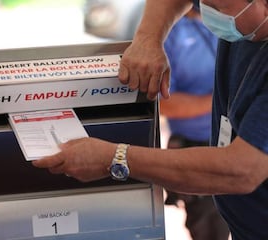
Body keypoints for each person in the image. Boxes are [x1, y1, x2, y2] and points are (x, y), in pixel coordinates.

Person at [32, 0, 268, 239]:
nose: (206, 11)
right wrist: (148, 39)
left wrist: (114, 158)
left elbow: (241, 170)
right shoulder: (243, 12)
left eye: (218, 7)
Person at [160, 6, 229, 240]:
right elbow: (162, 103)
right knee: (211, 231)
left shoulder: (235, 22)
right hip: (197, 148)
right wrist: (220, 100)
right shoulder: (168, 34)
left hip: (245, 143)